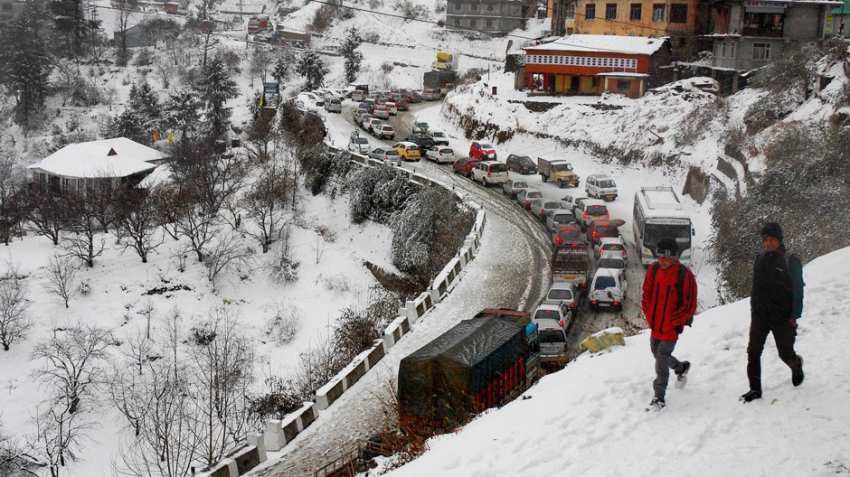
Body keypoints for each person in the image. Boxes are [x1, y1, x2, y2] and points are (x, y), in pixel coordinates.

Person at [740, 222, 805, 403]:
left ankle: (796, 364)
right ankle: (755, 389)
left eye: (772, 239)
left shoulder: (790, 260)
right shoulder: (759, 258)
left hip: (783, 318)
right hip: (760, 316)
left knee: (784, 353)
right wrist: (754, 311)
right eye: (766, 240)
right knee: (753, 352)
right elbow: (756, 288)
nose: (768, 243)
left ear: (779, 240)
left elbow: (798, 291)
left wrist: (793, 316)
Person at [642, 238, 698, 410]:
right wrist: (650, 316)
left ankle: (659, 397)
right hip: (656, 325)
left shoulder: (684, 275)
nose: (662, 260)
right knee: (657, 354)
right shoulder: (653, 270)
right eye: (659, 257)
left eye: (665, 257)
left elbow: (689, 304)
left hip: (671, 328)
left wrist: (674, 322)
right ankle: (680, 367)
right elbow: (646, 295)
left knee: (660, 361)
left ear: (674, 257)